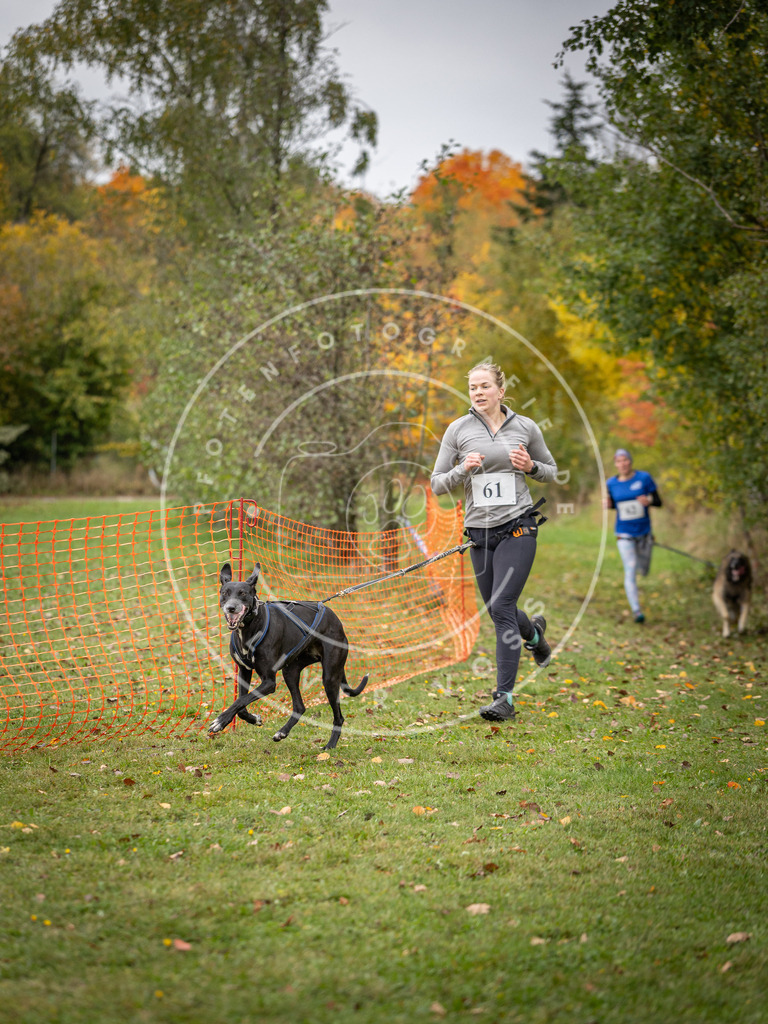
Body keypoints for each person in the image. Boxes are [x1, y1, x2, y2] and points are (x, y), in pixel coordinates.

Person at [430, 361, 558, 722]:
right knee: (498, 610)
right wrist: (462, 469)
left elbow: (551, 471)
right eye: (473, 388)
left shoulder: (525, 427)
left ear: (501, 391)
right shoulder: (458, 430)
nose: (478, 392)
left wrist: (530, 466)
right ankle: (533, 635)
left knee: (501, 606)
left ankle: (504, 699)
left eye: (485, 386)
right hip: (479, 535)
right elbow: (437, 483)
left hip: (518, 526)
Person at [604, 448, 662, 623]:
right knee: (630, 569)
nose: (622, 464)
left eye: (625, 460)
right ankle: (637, 611)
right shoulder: (611, 483)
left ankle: (641, 572)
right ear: (615, 464)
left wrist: (649, 501)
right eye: (618, 461)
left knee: (642, 569)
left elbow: (659, 501)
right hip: (624, 533)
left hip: (644, 533)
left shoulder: (644, 478)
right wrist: (608, 504)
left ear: (630, 461)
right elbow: (615, 504)